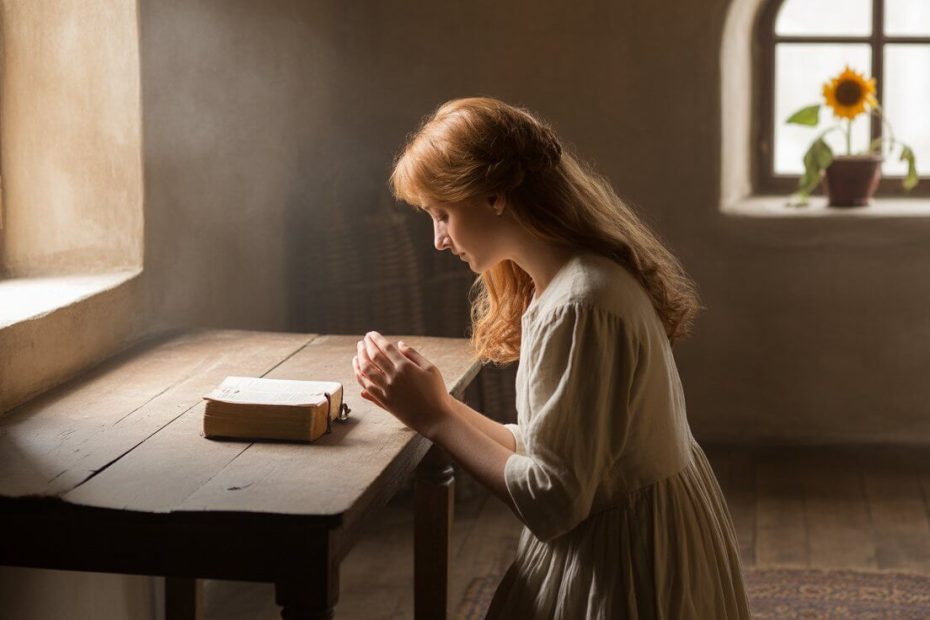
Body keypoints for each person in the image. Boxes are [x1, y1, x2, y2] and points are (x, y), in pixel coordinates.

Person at [351, 97, 751, 619]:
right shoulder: (569, 282)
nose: (439, 240)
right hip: (640, 523)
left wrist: (433, 416)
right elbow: (553, 448)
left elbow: (554, 499)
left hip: (625, 553)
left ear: (495, 196)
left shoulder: (580, 304)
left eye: (442, 214)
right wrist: (434, 403)